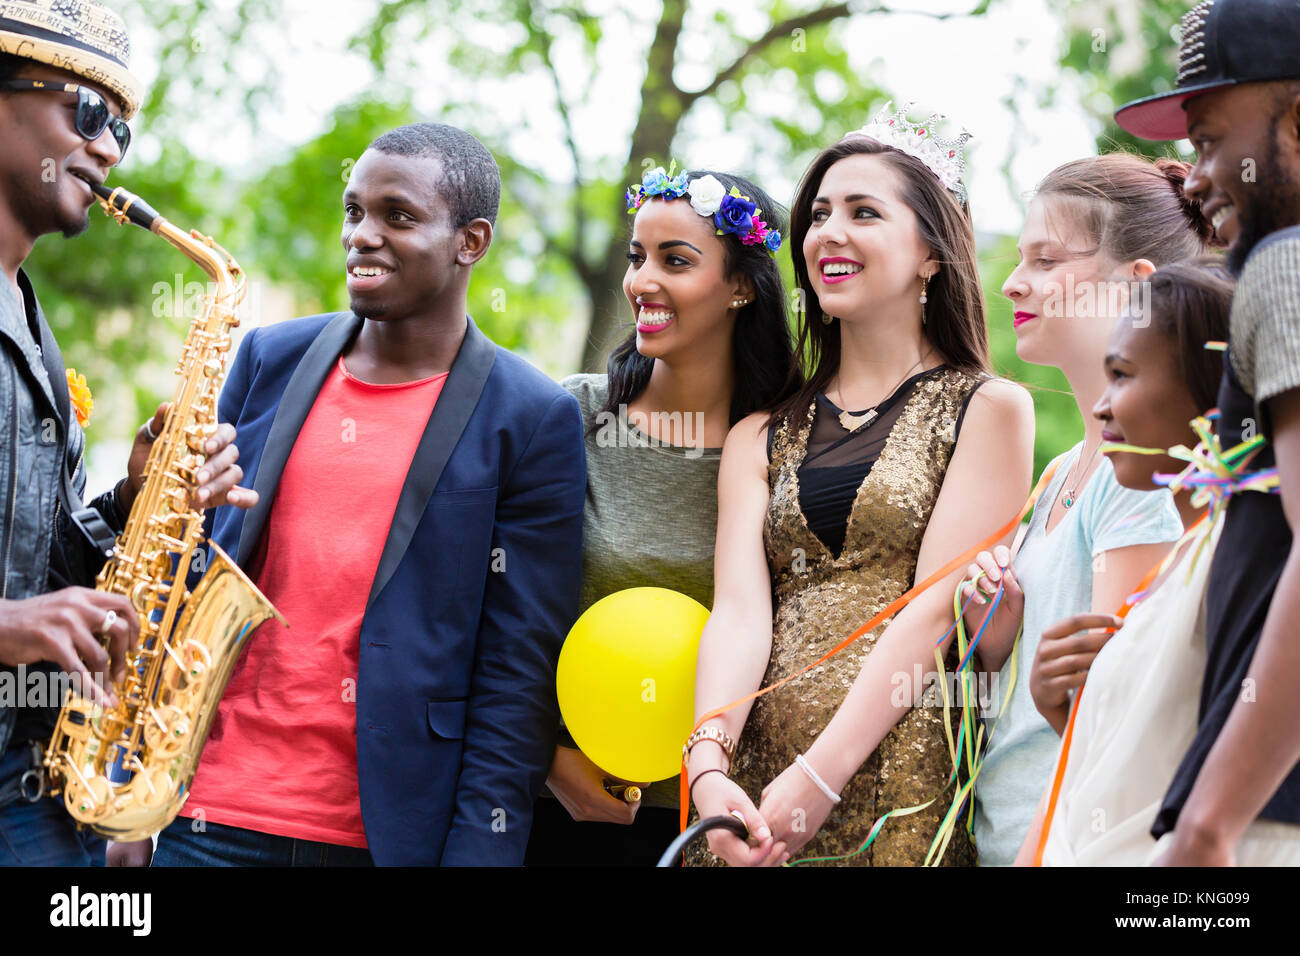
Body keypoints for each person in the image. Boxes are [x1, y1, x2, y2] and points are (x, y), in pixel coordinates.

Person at [144, 123, 586, 867]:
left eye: (398, 217)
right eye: (354, 212)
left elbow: (517, 673)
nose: (363, 236)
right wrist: (140, 793)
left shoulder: (532, 417)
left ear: (470, 242)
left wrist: (482, 853)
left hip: (382, 840)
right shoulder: (267, 357)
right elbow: (187, 578)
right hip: (206, 817)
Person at [687, 109, 1036, 867]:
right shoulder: (758, 434)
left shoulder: (989, 409)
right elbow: (740, 614)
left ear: (931, 256)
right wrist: (708, 763)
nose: (828, 233)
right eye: (818, 215)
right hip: (753, 790)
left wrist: (821, 776)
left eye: (863, 212)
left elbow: (936, 609)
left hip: (894, 786)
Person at [0, 1, 251, 867]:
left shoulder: (32, 325)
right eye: (88, 113)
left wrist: (138, 496)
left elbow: (43, 578)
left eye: (123, 132)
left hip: (32, 780)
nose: (109, 148)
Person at [524, 167, 799, 867]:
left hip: (723, 819)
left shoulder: (789, 445)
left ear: (741, 285)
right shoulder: (575, 416)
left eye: (675, 260)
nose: (642, 280)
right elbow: (502, 609)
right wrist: (548, 757)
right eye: (637, 256)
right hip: (560, 809)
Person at [965, 154, 1210, 866]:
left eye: (1045, 260)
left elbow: (1113, 716)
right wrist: (1001, 644)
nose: (1013, 283)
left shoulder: (1139, 480)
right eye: (1019, 260)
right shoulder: (1055, 474)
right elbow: (1043, 687)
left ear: (1137, 285)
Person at [1114, 0, 1300, 865]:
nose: (1191, 177)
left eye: (1210, 139)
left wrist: (1208, 823)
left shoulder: (1285, 263)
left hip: (1261, 820)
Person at [1012, 263, 1232, 865]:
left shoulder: (1236, 555)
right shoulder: (1182, 561)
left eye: (1123, 376)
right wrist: (1068, 712)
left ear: (1213, 388)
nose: (1102, 408)